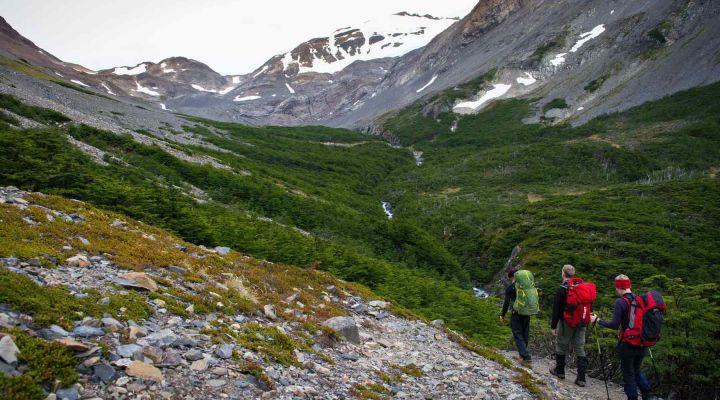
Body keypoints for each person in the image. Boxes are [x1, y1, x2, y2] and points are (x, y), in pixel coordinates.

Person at [591, 275, 652, 400]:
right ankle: (647, 395)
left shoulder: (620, 302)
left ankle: (632, 397)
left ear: (618, 287)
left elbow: (614, 325)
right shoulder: (640, 299)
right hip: (642, 342)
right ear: (629, 286)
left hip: (627, 343)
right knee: (637, 370)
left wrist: (598, 320)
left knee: (628, 374)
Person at [549, 264, 589, 387]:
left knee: (561, 345)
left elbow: (556, 310)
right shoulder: (582, 287)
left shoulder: (562, 289)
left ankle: (560, 372)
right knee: (580, 348)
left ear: (563, 273)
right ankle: (581, 378)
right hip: (582, 322)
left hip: (566, 322)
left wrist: (553, 326)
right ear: (573, 273)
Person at [500, 268, 531, 364]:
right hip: (527, 312)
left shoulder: (510, 288)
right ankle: (522, 356)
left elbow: (506, 303)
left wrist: (502, 315)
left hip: (516, 313)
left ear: (513, 277)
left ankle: (526, 356)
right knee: (525, 333)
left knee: (517, 334)